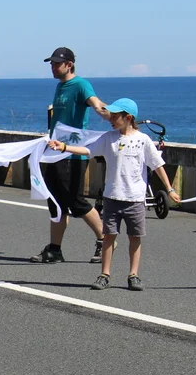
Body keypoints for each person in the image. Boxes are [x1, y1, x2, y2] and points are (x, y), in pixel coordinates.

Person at [47, 98, 179, 291]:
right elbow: (88, 150)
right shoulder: (109, 138)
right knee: (108, 236)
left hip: (135, 199)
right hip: (112, 197)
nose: (111, 119)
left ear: (128, 118)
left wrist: (170, 189)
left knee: (135, 237)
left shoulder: (143, 140)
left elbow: (158, 165)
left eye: (115, 116)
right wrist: (65, 147)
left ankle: (133, 275)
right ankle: (104, 275)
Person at [31, 47, 108, 264]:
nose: (53, 67)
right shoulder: (60, 87)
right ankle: (55, 250)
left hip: (72, 154)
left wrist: (110, 115)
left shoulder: (81, 85)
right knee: (55, 202)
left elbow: (96, 103)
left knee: (76, 201)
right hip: (54, 152)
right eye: (52, 64)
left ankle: (105, 240)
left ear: (69, 65)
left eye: (57, 64)